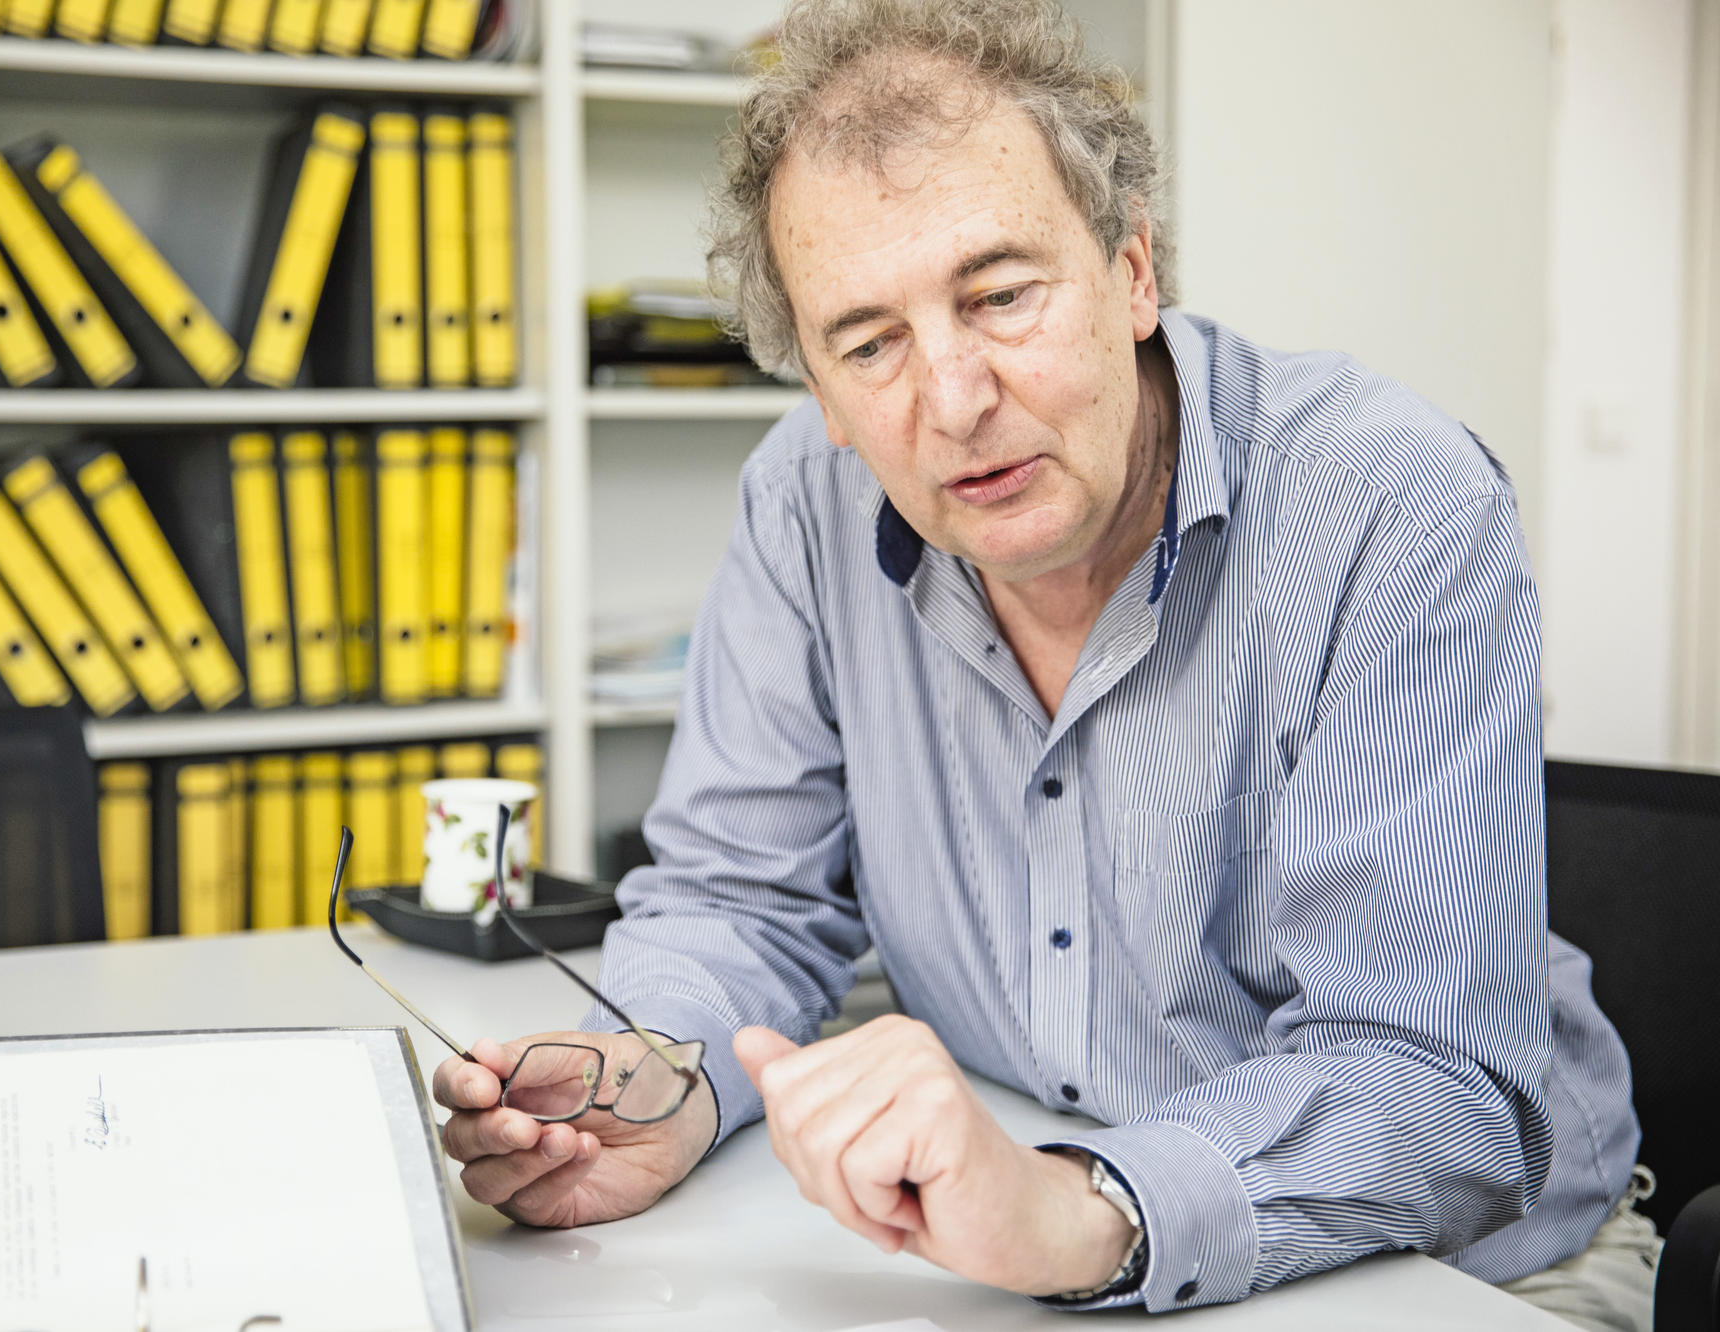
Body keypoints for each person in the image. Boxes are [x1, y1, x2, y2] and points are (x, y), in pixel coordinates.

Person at [432, 0, 1655, 1325]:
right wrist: (655, 1082)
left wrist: (1077, 1207)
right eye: (870, 344)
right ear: (823, 397)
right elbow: (741, 899)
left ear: (1133, 272)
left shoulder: (1389, 504)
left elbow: (1432, 1079)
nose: (955, 401)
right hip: (1030, 1243)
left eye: (1002, 295)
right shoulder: (802, 507)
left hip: (1461, 1275)